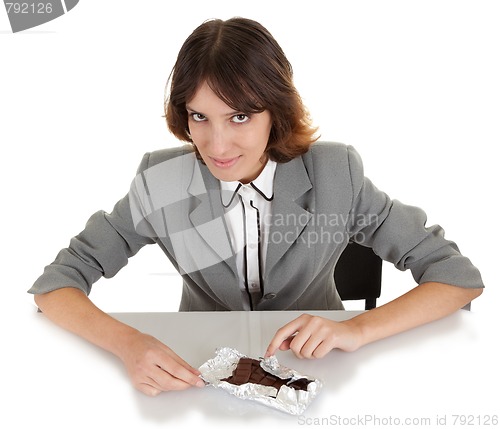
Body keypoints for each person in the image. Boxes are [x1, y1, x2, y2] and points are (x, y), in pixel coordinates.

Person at [29, 17, 484, 397]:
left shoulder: (335, 173)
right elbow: (55, 286)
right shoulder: (161, 182)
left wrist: (357, 329)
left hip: (320, 372)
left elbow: (457, 278)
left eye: (239, 116)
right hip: (199, 376)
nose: (216, 144)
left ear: (276, 111)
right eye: (199, 116)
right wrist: (128, 343)